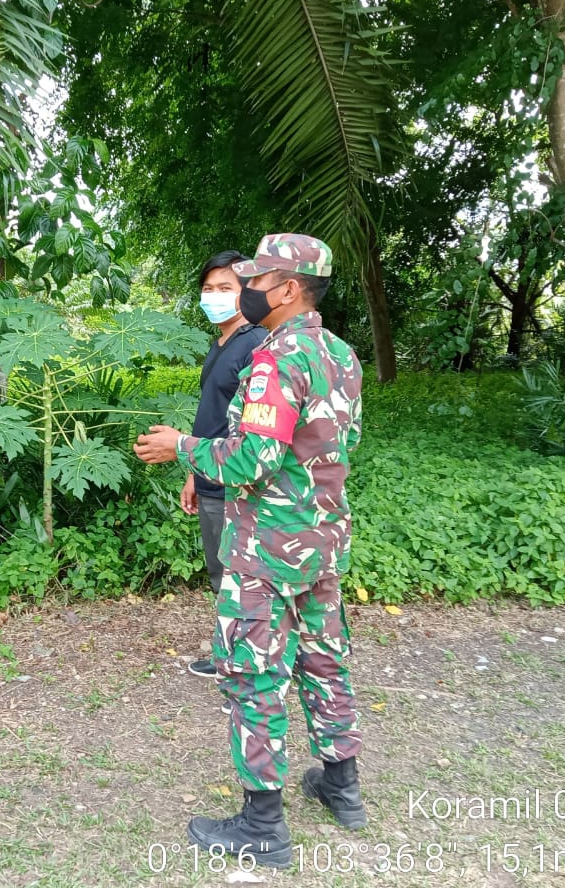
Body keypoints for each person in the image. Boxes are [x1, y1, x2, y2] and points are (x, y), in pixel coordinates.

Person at [133, 233, 367, 868]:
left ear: (289, 288)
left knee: (254, 675)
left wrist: (182, 447)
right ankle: (341, 788)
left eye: (257, 281)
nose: (248, 291)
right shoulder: (341, 354)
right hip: (320, 542)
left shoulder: (276, 357)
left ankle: (262, 824)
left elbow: (251, 459)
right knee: (324, 660)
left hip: (265, 548)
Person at [183, 251, 267, 679]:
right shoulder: (222, 343)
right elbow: (212, 415)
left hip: (236, 480)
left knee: (240, 578)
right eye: (208, 288)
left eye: (225, 289)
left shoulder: (254, 345)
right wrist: (193, 475)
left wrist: (195, 458)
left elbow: (251, 427)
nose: (213, 296)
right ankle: (230, 657)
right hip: (210, 474)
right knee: (222, 573)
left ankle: (246, 668)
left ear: (247, 293)